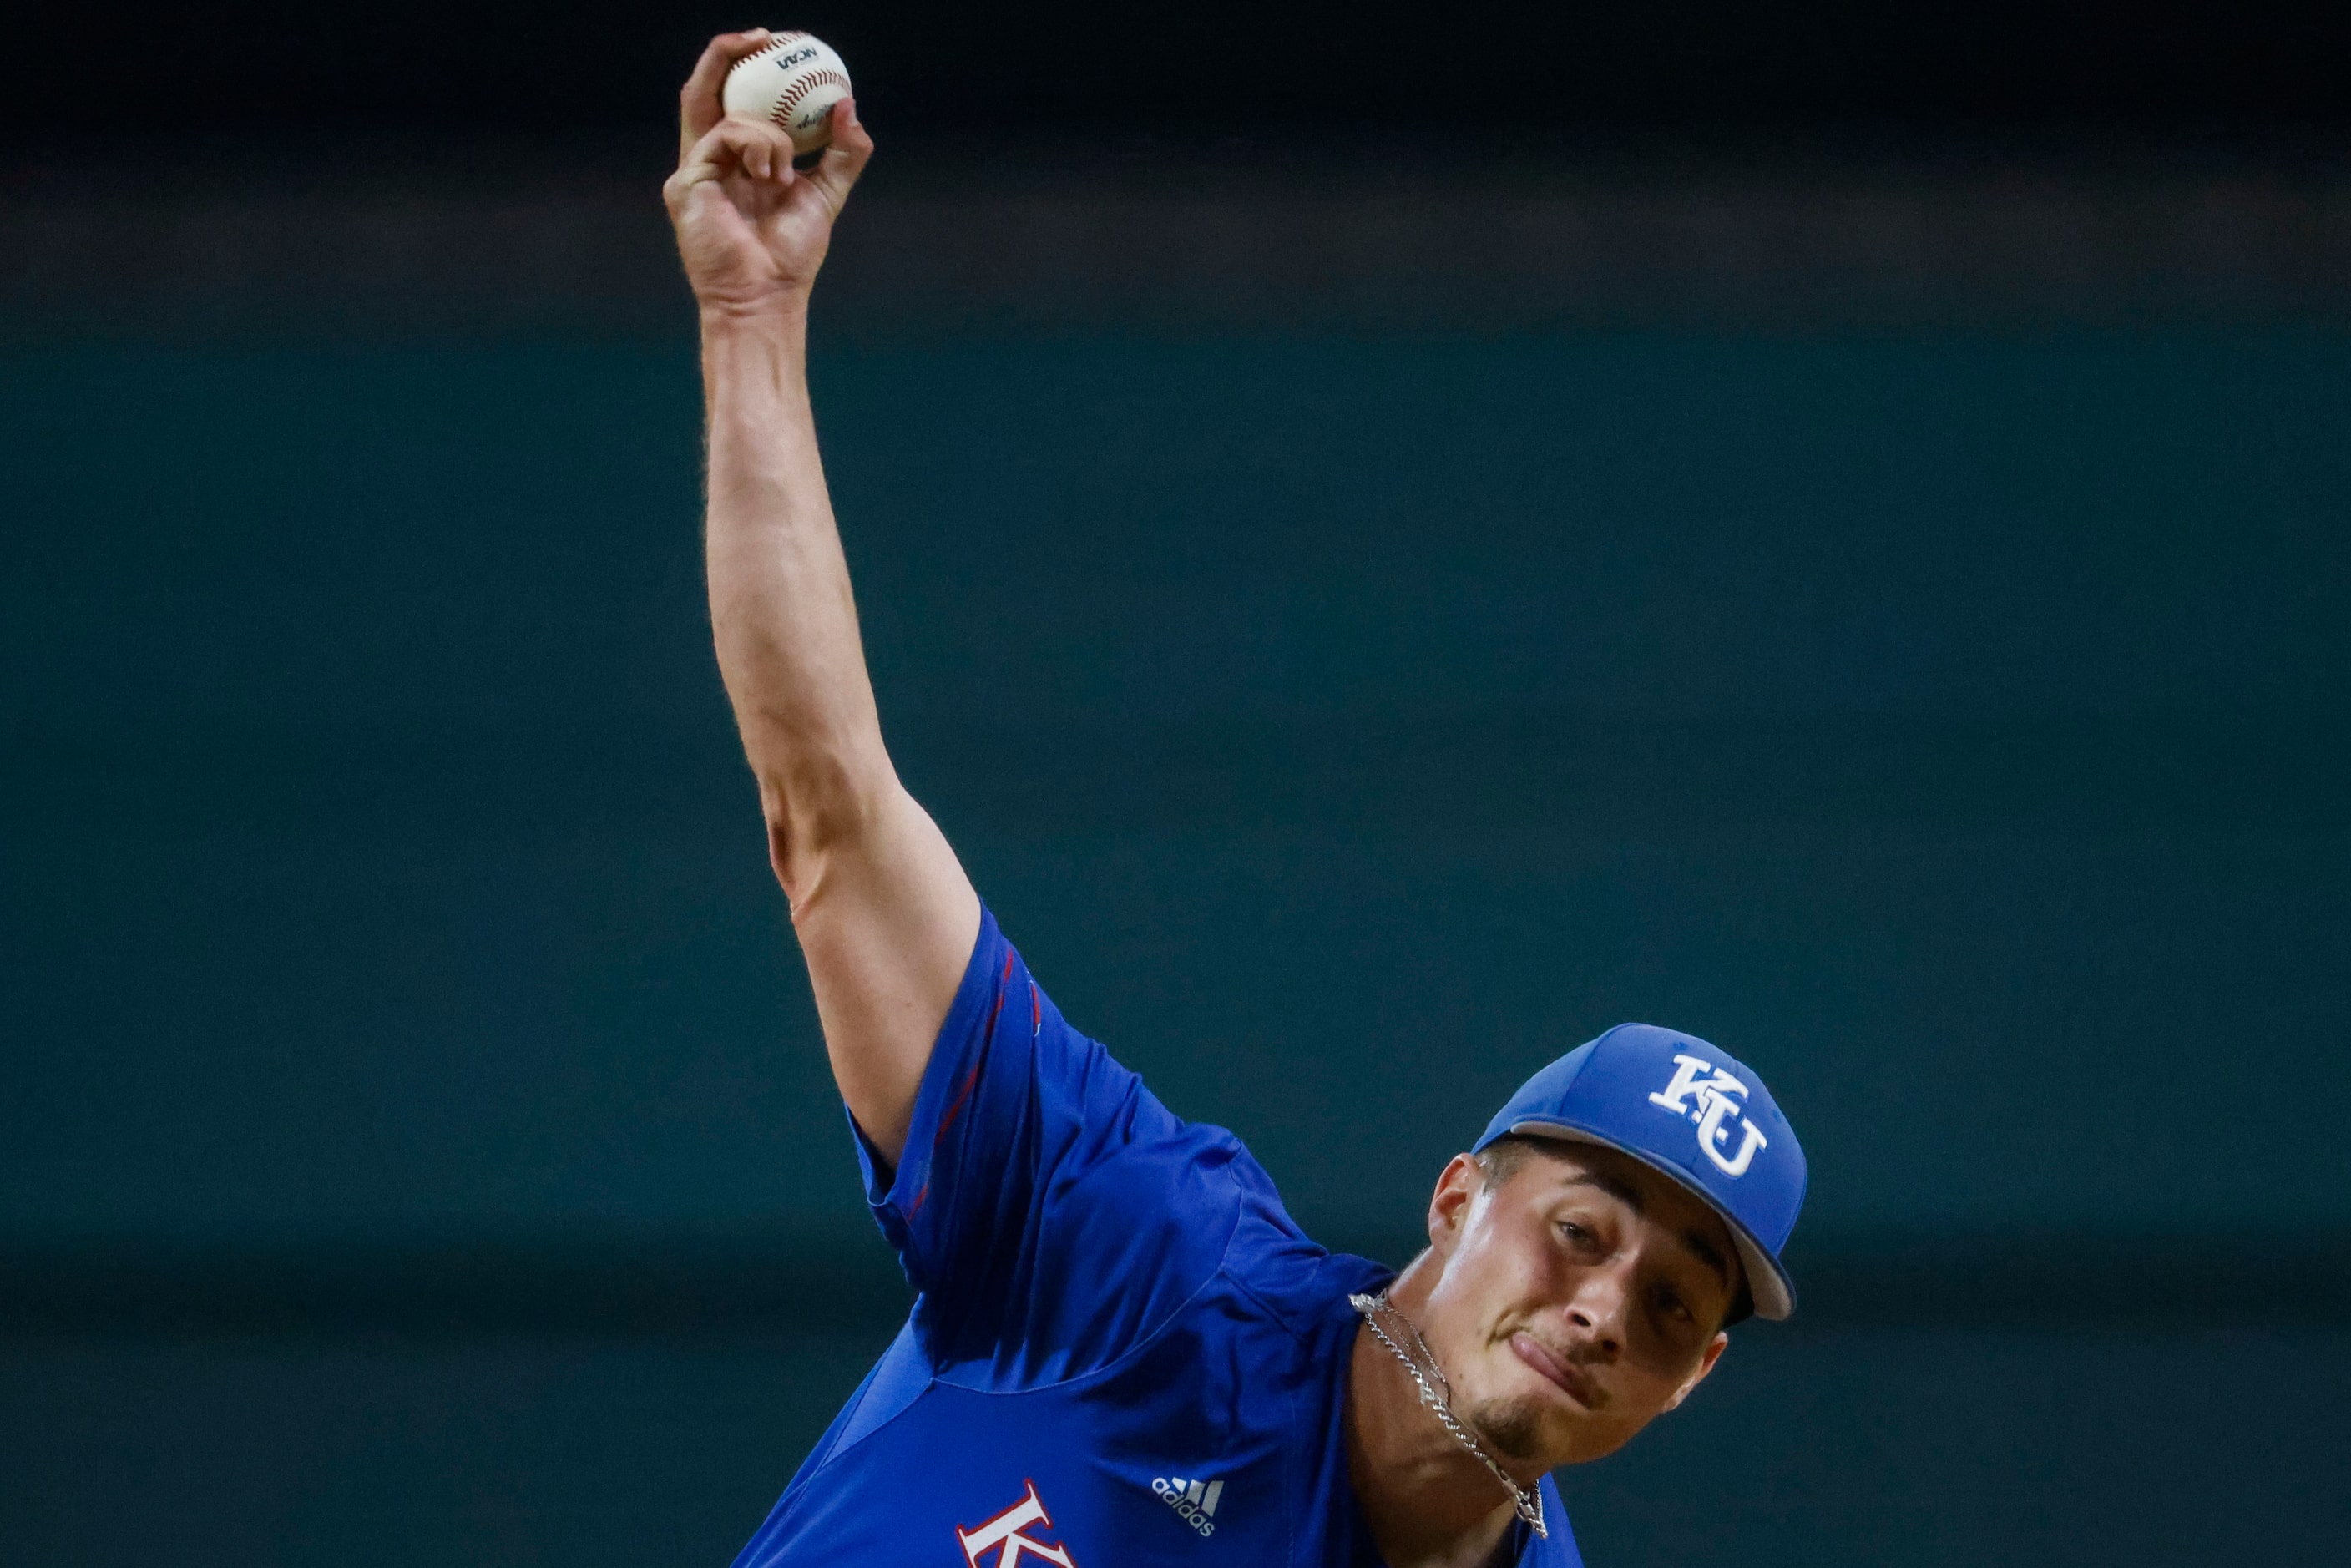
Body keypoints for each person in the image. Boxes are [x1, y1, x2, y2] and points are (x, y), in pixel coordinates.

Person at [663, 29, 1810, 1568]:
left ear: (1695, 1376)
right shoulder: (1141, 1255)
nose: (1605, 1308)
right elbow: (834, 817)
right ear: (1460, 1195)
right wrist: (751, 320)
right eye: (1581, 1231)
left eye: (1674, 1304)